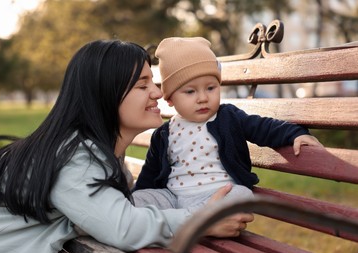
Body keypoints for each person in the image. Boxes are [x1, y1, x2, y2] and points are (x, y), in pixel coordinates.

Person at [0, 39, 254, 253]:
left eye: (152, 82)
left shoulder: (92, 153)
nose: (157, 92)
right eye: (142, 86)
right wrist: (202, 220)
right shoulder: (74, 158)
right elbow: (122, 227)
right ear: (106, 96)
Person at [132, 37, 324, 213]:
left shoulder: (228, 117)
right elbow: (150, 174)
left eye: (211, 88)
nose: (203, 98)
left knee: (242, 195)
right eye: (190, 92)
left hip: (220, 195)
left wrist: (295, 134)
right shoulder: (165, 133)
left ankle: (196, 220)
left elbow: (263, 127)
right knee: (137, 199)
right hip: (174, 197)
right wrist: (137, 198)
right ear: (170, 99)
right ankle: (188, 219)